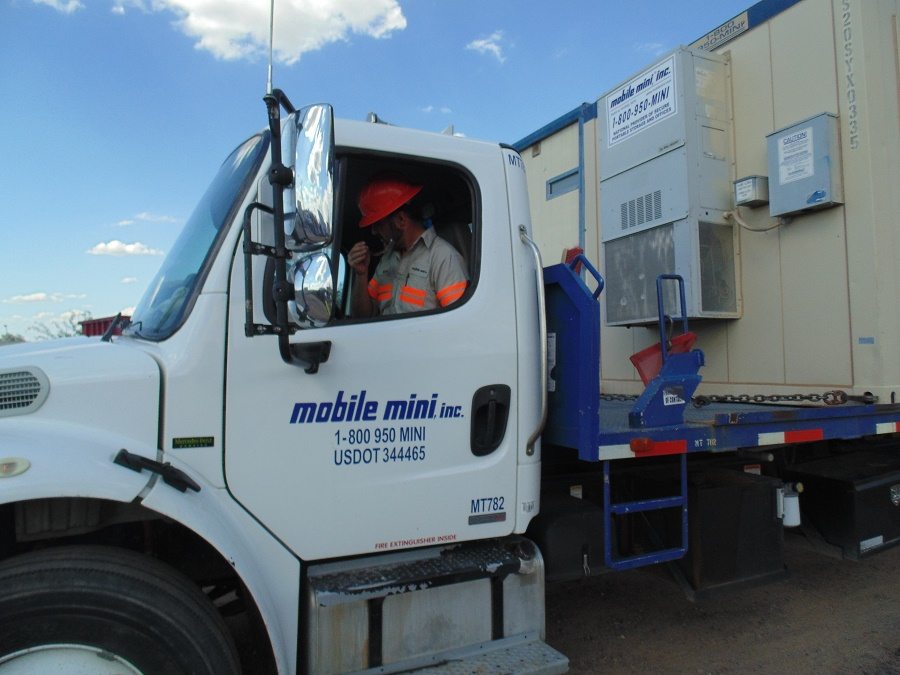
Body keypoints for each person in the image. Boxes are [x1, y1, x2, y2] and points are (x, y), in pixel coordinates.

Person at [349, 176, 468, 317]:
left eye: (378, 224)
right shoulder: (386, 260)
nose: (374, 231)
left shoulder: (443, 256)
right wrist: (361, 275)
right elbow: (362, 317)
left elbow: (458, 321)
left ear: (401, 220)